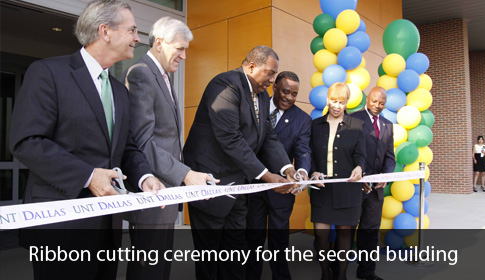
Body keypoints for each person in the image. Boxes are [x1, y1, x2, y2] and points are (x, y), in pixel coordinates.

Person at [8, 1, 165, 279]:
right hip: (61, 228)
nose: (138, 39)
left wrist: (144, 178)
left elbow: (126, 147)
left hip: (107, 229)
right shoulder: (49, 73)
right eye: (132, 30)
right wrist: (88, 175)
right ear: (105, 31)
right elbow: (27, 141)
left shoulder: (119, 90)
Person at [183, 45, 298, 280]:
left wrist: (288, 168)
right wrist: (266, 175)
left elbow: (268, 136)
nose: (271, 80)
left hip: (238, 187)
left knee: (235, 251)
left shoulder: (263, 97)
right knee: (210, 255)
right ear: (252, 66)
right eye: (269, 73)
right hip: (210, 184)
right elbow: (230, 138)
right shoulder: (225, 85)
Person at [121, 16, 212, 280]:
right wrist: (185, 174)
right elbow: (142, 141)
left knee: (159, 267)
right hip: (153, 192)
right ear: (159, 42)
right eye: (179, 48)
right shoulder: (141, 73)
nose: (184, 56)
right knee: (148, 269)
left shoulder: (162, 76)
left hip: (166, 192)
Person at [246, 71, 312, 280]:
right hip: (253, 185)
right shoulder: (256, 106)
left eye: (294, 94)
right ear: (274, 87)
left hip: (282, 190)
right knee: (252, 238)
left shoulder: (302, 119)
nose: (289, 98)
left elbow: (303, 150)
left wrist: (301, 172)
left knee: (279, 240)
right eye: (285, 92)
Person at [310, 82, 366, 280]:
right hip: (321, 189)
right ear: (327, 100)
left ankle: (341, 275)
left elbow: (361, 155)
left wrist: (359, 167)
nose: (336, 106)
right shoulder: (315, 125)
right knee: (321, 235)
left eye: (341, 102)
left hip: (348, 189)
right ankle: (325, 274)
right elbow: (307, 154)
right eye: (333, 101)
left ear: (347, 103)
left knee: (345, 235)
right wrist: (311, 172)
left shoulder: (357, 126)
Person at [350, 87, 395, 280]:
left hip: (376, 191)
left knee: (370, 231)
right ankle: (337, 271)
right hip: (354, 187)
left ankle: (366, 272)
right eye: (374, 101)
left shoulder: (388, 125)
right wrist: (359, 177)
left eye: (382, 103)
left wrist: (386, 175)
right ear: (367, 99)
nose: (377, 106)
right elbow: (346, 152)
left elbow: (390, 157)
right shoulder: (353, 119)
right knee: (347, 230)